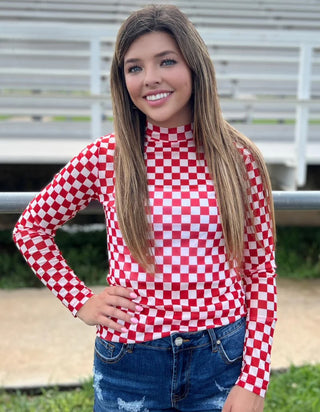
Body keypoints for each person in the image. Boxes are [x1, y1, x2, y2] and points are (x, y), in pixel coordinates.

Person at [13, 4, 277, 412]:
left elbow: (259, 273)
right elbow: (30, 229)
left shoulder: (239, 159)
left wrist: (254, 379)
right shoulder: (106, 157)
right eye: (134, 67)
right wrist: (81, 300)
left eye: (166, 61)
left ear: (194, 65)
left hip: (222, 359)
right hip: (130, 363)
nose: (150, 78)